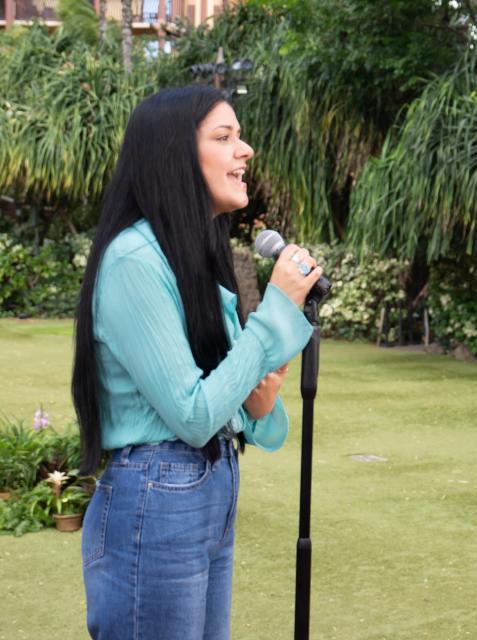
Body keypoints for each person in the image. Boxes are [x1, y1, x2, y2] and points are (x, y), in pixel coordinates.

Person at [71, 85, 324, 640]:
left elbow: (221, 399)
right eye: (224, 136)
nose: (246, 150)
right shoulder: (134, 260)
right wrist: (276, 308)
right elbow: (190, 414)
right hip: (158, 496)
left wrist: (256, 402)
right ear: (176, 156)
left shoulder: (193, 255)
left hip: (207, 487)